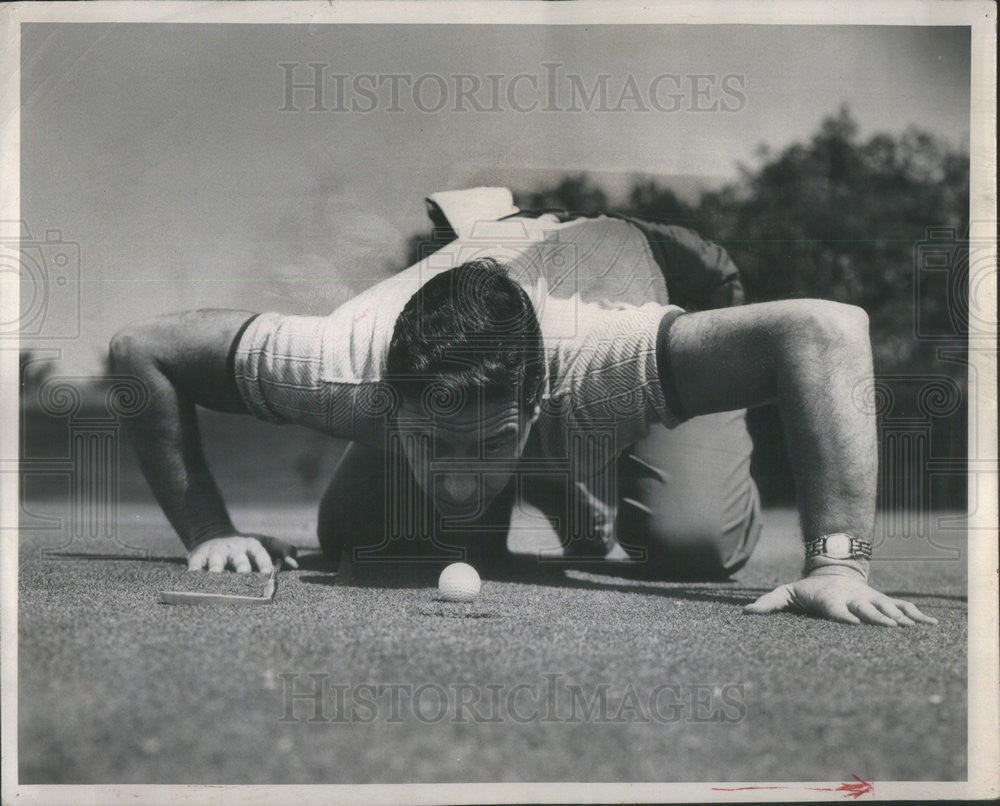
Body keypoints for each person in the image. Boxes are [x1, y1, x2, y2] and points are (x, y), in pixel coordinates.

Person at [109, 186, 936, 627]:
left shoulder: (610, 366)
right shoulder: (339, 365)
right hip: (482, 270)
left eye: (489, 444)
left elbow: (826, 331)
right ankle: (530, 444)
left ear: (536, 399)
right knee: (364, 540)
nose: (461, 481)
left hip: (640, 275)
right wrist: (209, 529)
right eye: (435, 443)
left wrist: (837, 563)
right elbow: (141, 347)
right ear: (388, 407)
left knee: (693, 543)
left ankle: (556, 461)